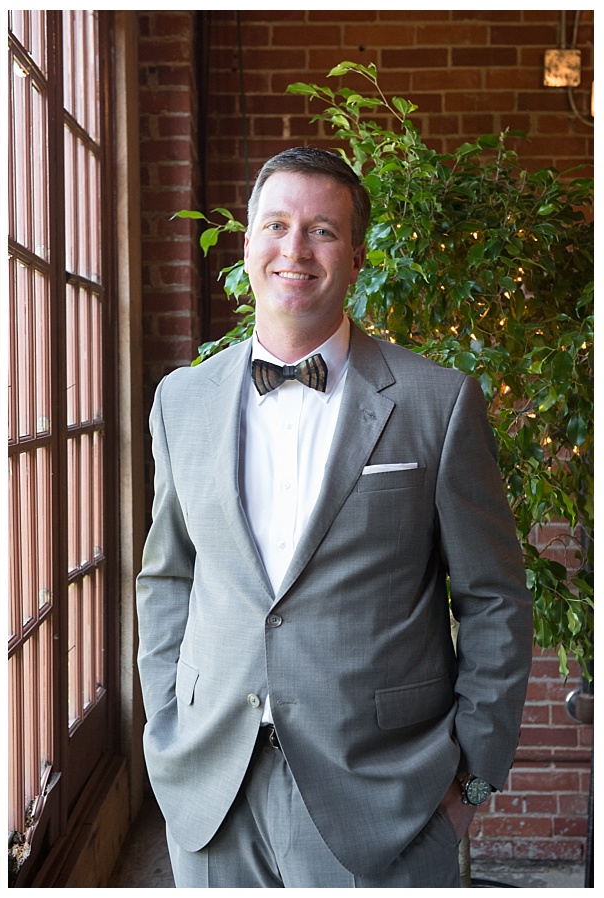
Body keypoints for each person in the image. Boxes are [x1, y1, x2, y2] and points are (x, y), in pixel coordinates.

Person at [136, 146, 533, 887]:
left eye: (321, 230)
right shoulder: (179, 402)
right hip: (210, 796)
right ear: (247, 244)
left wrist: (470, 786)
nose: (295, 248)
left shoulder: (437, 404)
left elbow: (495, 602)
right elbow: (167, 578)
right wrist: (166, 728)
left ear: (355, 257)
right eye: (276, 225)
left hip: (384, 803)